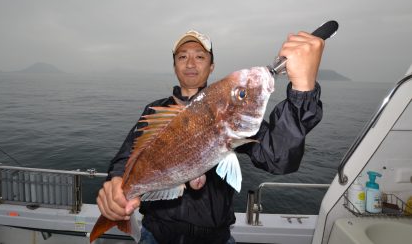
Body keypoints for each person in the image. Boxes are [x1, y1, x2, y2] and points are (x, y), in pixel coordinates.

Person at [96, 29, 324, 244]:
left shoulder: (227, 113)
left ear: (212, 66)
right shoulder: (155, 111)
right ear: (174, 66)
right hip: (157, 234)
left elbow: (279, 157)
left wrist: (303, 90)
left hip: (215, 238)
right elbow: (126, 157)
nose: (191, 63)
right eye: (182, 56)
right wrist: (116, 184)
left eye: (200, 56)